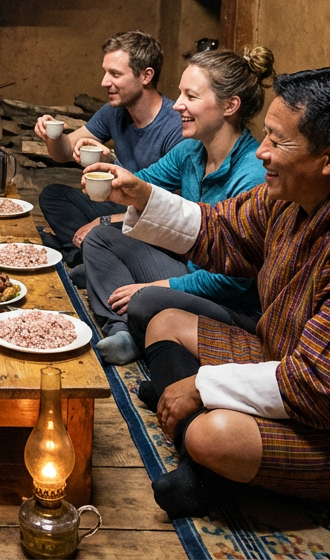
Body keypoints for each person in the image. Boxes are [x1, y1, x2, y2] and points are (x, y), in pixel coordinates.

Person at [88, 68, 330, 518]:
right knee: (164, 321)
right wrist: (140, 195)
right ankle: (201, 445)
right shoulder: (296, 197)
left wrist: (201, 386)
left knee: (211, 435)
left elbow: (319, 388)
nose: (262, 151)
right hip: (289, 362)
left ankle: (205, 466)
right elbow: (221, 230)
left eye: (277, 141)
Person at [82, 47, 274, 366]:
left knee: (145, 298)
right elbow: (142, 183)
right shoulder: (191, 151)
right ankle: (126, 329)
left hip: (231, 302)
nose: (178, 105)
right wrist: (107, 170)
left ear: (230, 105)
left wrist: (157, 285)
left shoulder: (251, 175)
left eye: (191, 96)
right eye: (180, 93)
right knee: (100, 238)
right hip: (189, 268)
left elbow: (232, 281)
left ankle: (133, 318)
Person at [34, 31, 184, 267]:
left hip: (153, 217)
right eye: (105, 72)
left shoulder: (176, 126)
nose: (104, 82)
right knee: (53, 195)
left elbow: (171, 210)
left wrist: (104, 220)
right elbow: (63, 153)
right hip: (120, 203)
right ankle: (90, 258)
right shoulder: (114, 110)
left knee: (105, 231)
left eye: (115, 74)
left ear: (146, 76)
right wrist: (52, 134)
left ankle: (87, 259)